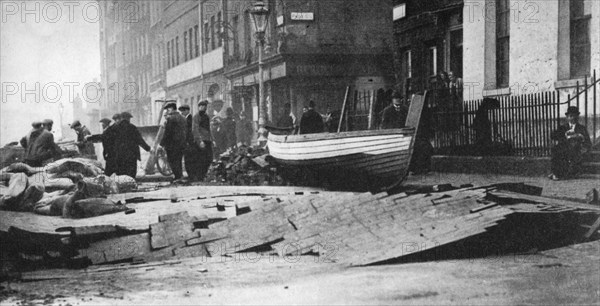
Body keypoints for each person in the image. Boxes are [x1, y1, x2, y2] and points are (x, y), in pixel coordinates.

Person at [549, 106, 591, 180]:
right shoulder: (563, 128)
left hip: (576, 150)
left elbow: (588, 142)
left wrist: (581, 137)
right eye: (571, 116)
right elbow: (553, 136)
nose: (573, 118)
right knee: (556, 150)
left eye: (575, 116)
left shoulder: (581, 128)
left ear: (577, 117)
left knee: (567, 152)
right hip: (564, 148)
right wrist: (564, 134)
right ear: (567, 117)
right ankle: (556, 173)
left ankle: (558, 174)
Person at [112, 112, 151, 178]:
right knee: (131, 174)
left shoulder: (114, 128)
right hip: (131, 155)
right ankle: (131, 186)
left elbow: (109, 141)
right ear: (128, 119)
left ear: (121, 118)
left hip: (119, 155)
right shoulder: (132, 127)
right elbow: (140, 140)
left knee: (121, 175)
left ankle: (122, 187)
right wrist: (148, 148)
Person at [160, 103, 188, 182]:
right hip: (182, 143)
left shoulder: (171, 118)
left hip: (172, 144)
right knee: (178, 160)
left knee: (172, 160)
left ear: (172, 109)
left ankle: (177, 176)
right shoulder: (183, 118)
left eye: (168, 109)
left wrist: (161, 144)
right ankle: (179, 176)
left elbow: (167, 133)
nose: (168, 111)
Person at [192, 100, 213, 180]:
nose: (204, 108)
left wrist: (212, 139)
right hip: (201, 141)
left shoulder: (207, 116)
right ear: (199, 107)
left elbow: (209, 129)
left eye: (205, 106)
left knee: (209, 158)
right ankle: (199, 176)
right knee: (200, 159)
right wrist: (199, 141)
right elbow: (195, 129)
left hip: (207, 140)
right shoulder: (196, 117)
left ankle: (203, 175)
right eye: (202, 106)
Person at [179, 104, 200, 181]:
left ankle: (192, 176)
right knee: (188, 160)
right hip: (188, 143)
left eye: (183, 111)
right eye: (181, 111)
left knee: (189, 160)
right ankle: (191, 176)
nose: (182, 113)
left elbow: (190, 132)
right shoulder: (187, 119)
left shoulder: (190, 119)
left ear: (187, 110)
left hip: (190, 143)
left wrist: (188, 142)